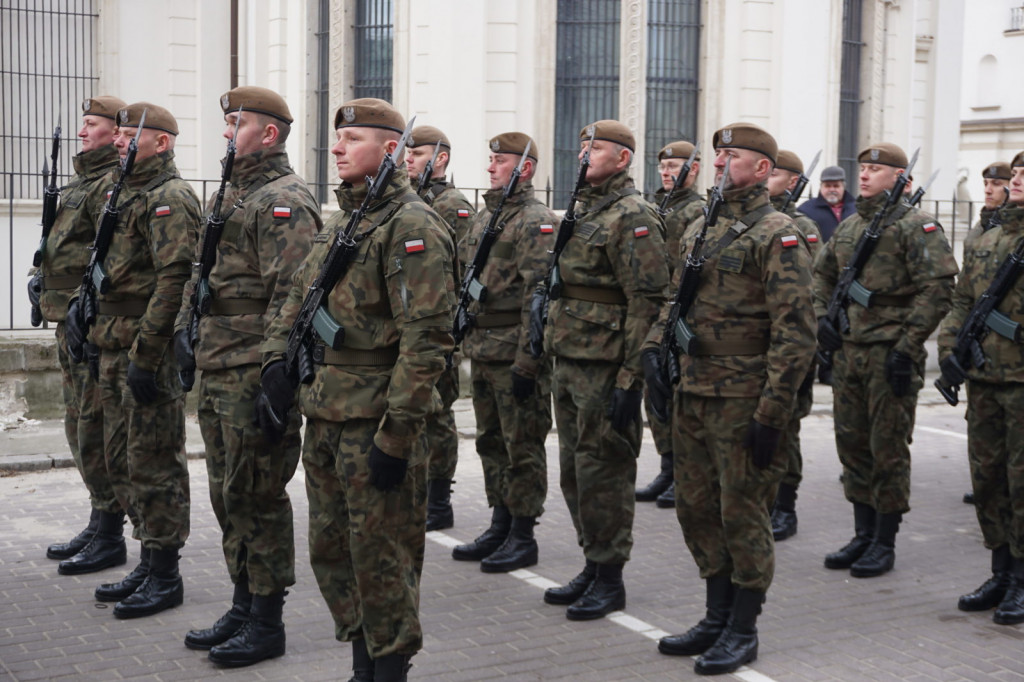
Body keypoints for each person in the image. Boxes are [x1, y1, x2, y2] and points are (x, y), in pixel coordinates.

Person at [257, 98, 455, 681]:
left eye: (353, 140)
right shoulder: (345, 219)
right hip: (325, 410)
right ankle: (361, 661)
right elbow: (297, 299)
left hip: (373, 421)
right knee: (332, 550)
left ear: (391, 151)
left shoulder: (413, 226)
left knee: (382, 559)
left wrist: (396, 437)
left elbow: (427, 343)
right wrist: (275, 363)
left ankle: (388, 668)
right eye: (337, 139)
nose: (337, 148)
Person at [643, 123, 816, 675]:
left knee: (742, 512)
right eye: (718, 154)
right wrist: (653, 349)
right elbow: (676, 298)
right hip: (692, 389)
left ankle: (743, 627)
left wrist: (773, 411)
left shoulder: (777, 233)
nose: (720, 163)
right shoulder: (701, 223)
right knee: (697, 508)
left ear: (762, 168)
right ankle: (715, 615)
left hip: (743, 397)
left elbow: (796, 332)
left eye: (732, 155)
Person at [173, 87, 321, 666]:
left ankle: (267, 620)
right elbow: (199, 270)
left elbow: (293, 293)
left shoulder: (283, 201)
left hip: (251, 368)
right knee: (226, 493)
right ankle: (241, 602)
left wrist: (275, 374)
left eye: (238, 123)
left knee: (256, 494)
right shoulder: (233, 195)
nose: (228, 133)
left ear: (270, 134)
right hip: (217, 362)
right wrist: (186, 329)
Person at [66, 102, 201, 618]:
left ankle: (166, 572)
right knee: (122, 454)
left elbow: (174, 282)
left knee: (154, 460)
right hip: (113, 340)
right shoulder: (125, 192)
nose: (119, 141)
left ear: (162, 143)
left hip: (144, 349)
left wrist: (148, 353)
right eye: (117, 133)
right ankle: (147, 558)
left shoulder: (170, 198)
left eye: (130, 134)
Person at [541, 119, 669, 621]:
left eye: (595, 149)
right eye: (581, 146)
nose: (583, 156)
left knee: (604, 473)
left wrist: (629, 380)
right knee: (575, 473)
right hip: (570, 360)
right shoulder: (583, 208)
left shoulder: (633, 216)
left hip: (605, 366)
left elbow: (648, 302)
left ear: (622, 159)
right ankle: (593, 562)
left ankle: (610, 576)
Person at [813, 142, 957, 579]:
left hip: (890, 354)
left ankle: (885, 540)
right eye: (865, 169)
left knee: (887, 449)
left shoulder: (918, 226)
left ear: (899, 177)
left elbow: (939, 290)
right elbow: (821, 273)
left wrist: (909, 345)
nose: (866, 175)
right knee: (852, 444)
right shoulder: (852, 226)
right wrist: (823, 317)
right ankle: (862, 532)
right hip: (851, 352)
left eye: (877, 169)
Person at [449, 132, 556, 573]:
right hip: (484, 348)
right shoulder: (484, 218)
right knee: (492, 442)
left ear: (525, 168)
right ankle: (500, 520)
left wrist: (530, 359)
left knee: (522, 445)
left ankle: (523, 533)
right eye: (489, 159)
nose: (490, 167)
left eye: (500, 161)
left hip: (514, 352)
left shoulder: (534, 219)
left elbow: (540, 294)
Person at [31, 96, 128, 576]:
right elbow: (60, 241)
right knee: (77, 426)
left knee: (94, 427)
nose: (80, 132)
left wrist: (82, 311)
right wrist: (38, 271)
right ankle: (99, 517)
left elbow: (105, 255)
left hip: (87, 322)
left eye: (91, 125)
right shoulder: (80, 182)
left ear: (115, 133)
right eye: (82, 124)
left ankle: (111, 530)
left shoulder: (111, 182)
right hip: (65, 318)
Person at [938, 151, 1024, 625]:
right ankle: (999, 570)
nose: (1016, 179)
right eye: (1016, 172)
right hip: (986, 378)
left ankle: (1021, 580)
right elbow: (962, 300)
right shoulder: (988, 238)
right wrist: (950, 349)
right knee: (988, 479)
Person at [405, 125, 475, 531]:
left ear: (440, 158)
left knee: (438, 413)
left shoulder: (453, 206)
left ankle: (440, 498)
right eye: (407, 156)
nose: (408, 161)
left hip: (441, 326)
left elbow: (463, 273)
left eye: (416, 155)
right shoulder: (410, 201)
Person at [635, 140, 704, 509]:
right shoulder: (654, 206)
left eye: (674, 166)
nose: (665, 172)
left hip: (679, 316)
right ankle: (667, 466)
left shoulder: (698, 211)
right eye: (662, 166)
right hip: (652, 314)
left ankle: (685, 473)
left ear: (692, 170)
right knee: (655, 396)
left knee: (678, 398)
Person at [765, 149, 823, 542]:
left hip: (790, 346)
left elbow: (812, 293)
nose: (768, 179)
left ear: (793, 182)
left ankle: (786, 506)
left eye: (777, 174)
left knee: (786, 431)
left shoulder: (801, 226)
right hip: (756, 348)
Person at [964, 161, 1012, 257]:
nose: (987, 190)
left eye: (996, 184)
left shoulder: (1015, 225)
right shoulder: (980, 226)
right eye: (986, 184)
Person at [798, 164, 856, 242]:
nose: (832, 190)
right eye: (827, 186)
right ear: (821, 187)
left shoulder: (857, 209)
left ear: (843, 187)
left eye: (836, 186)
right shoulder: (806, 210)